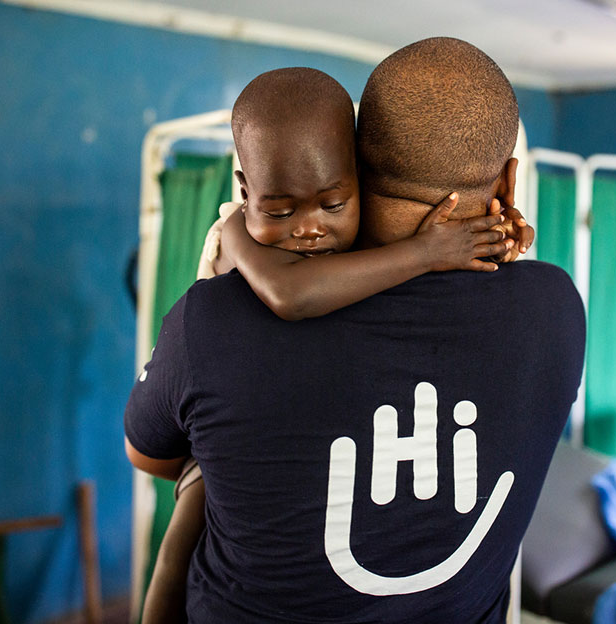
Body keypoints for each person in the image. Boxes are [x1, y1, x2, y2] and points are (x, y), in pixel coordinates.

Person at [125, 37, 586, 623]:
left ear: (354, 167)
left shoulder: (213, 317)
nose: (308, 228)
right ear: (509, 183)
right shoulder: (555, 308)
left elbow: (149, 456)